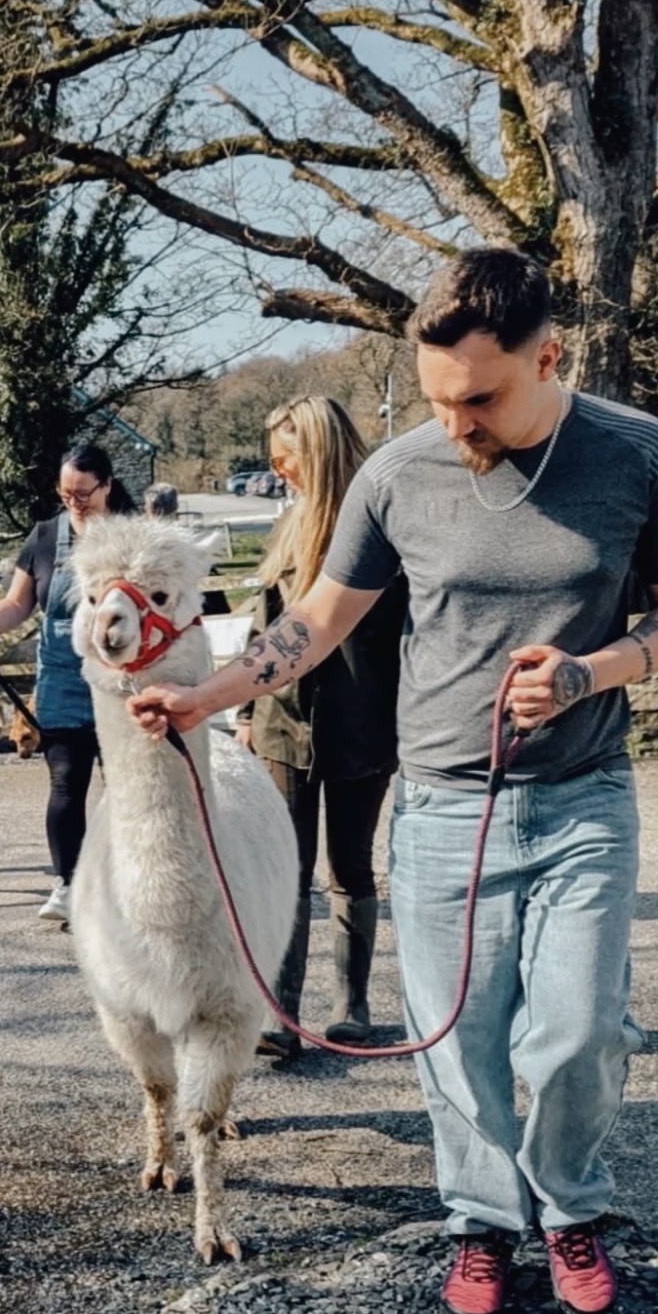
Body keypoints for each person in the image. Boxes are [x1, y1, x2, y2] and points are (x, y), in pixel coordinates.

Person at [127, 249, 658, 1314]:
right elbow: (315, 621)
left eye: (481, 398)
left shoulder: (641, 456)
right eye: (440, 399)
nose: (459, 423)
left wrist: (593, 671)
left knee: (580, 1029)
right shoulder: (397, 475)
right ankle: (483, 1221)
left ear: (551, 356)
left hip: (585, 796)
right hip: (443, 804)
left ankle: (569, 1205)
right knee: (458, 1036)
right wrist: (207, 697)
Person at [236, 397, 405, 1058]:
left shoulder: (382, 521)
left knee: (350, 863)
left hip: (363, 722)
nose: (282, 475)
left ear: (318, 452)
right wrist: (248, 711)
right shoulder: (288, 526)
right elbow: (263, 626)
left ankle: (351, 1004)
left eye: (288, 462)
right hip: (284, 726)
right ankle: (281, 1014)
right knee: (287, 866)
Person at [0, 443, 135, 925]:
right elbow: (17, 604)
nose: (73, 502)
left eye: (83, 493)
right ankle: (69, 885)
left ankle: (130, 885)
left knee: (128, 789)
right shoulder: (43, 536)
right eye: (65, 493)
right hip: (64, 683)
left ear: (107, 486)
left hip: (125, 682)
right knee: (65, 785)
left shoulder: (135, 535)